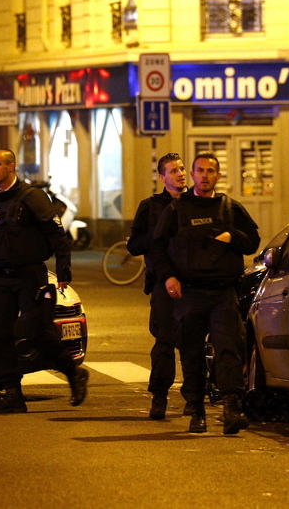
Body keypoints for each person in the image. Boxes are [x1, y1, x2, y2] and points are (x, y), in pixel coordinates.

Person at [150, 153, 260, 434]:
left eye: (211, 171)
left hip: (223, 292)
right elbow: (157, 248)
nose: (205, 175)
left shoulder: (230, 208)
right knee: (191, 354)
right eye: (200, 170)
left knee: (229, 349)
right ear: (193, 175)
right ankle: (196, 409)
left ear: (218, 176)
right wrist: (169, 277)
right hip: (190, 293)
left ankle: (232, 408)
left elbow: (252, 242)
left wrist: (232, 236)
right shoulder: (176, 209)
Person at [0, 148, 89, 414]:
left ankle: (73, 373)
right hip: (0, 277)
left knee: (37, 332)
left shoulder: (31, 196)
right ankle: (13, 393)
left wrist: (63, 271)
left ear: (11, 167)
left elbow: (57, 234)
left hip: (29, 276)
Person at [127, 153, 187, 420]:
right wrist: (158, 233)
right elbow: (134, 245)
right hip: (163, 283)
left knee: (192, 343)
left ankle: (194, 397)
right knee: (164, 340)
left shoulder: (196, 203)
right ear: (162, 177)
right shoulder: (150, 206)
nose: (180, 174)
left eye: (182, 169)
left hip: (194, 283)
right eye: (173, 170)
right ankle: (160, 396)